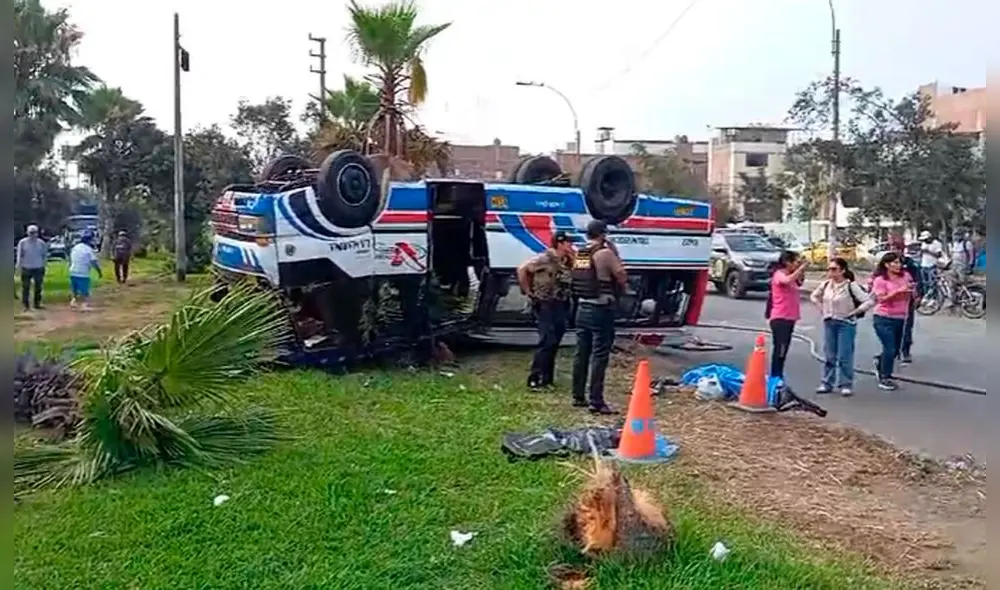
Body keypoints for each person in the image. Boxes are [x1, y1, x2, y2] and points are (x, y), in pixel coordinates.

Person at [569, 220, 627, 414]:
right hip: (601, 309)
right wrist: (615, 254)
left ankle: (578, 396)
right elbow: (621, 275)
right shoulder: (605, 253)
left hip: (582, 308)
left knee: (581, 353)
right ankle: (596, 401)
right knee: (599, 355)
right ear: (603, 234)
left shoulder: (581, 253)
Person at [517, 231, 575, 390]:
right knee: (547, 340)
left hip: (561, 303)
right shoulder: (545, 258)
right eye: (569, 243)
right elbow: (522, 269)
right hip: (545, 303)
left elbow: (585, 266)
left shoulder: (568, 260)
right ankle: (535, 377)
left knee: (555, 341)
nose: (572, 245)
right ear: (560, 243)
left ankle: (547, 378)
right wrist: (528, 291)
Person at [809, 257, 873, 396]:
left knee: (845, 355)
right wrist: (821, 307)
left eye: (834, 269)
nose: (831, 272)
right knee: (829, 354)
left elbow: (868, 301)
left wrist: (855, 312)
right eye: (829, 269)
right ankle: (827, 382)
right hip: (829, 321)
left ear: (842, 270)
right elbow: (814, 296)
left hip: (846, 323)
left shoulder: (850, 286)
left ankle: (846, 383)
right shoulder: (826, 284)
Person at [871, 236, 922, 364]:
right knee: (890, 345)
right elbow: (877, 286)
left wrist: (917, 295)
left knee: (906, 328)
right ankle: (885, 362)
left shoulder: (909, 265)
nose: (895, 250)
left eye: (898, 248)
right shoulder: (883, 271)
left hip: (905, 304)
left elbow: (916, 281)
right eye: (893, 247)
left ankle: (904, 351)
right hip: (885, 312)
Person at [870, 252, 914, 391]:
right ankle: (885, 377)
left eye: (899, 262)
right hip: (883, 317)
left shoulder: (906, 276)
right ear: (886, 265)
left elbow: (912, 290)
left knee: (895, 350)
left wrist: (912, 292)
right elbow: (881, 299)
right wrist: (897, 293)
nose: (897, 265)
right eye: (894, 263)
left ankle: (881, 362)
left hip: (901, 317)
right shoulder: (880, 280)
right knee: (889, 347)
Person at [765, 250, 808, 380]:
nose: (797, 264)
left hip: (790, 317)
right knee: (780, 348)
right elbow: (786, 281)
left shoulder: (791, 274)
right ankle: (775, 375)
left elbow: (799, 281)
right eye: (795, 261)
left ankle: (779, 374)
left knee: (785, 348)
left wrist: (801, 271)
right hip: (780, 317)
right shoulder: (779, 274)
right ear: (787, 262)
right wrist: (801, 268)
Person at [15, 224, 49, 311]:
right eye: (31, 233)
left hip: (38, 267)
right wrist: (18, 267)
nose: (33, 235)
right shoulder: (22, 243)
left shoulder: (41, 243)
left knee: (38, 286)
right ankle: (25, 305)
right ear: (27, 233)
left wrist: (45, 265)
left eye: (34, 233)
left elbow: (44, 255)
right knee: (25, 287)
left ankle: (37, 303)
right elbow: (19, 255)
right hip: (26, 267)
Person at [68, 230, 103, 310]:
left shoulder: (75, 247)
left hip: (73, 270)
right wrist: (99, 271)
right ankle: (84, 304)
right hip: (83, 272)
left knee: (75, 288)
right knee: (84, 289)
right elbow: (93, 261)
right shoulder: (88, 249)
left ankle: (74, 302)